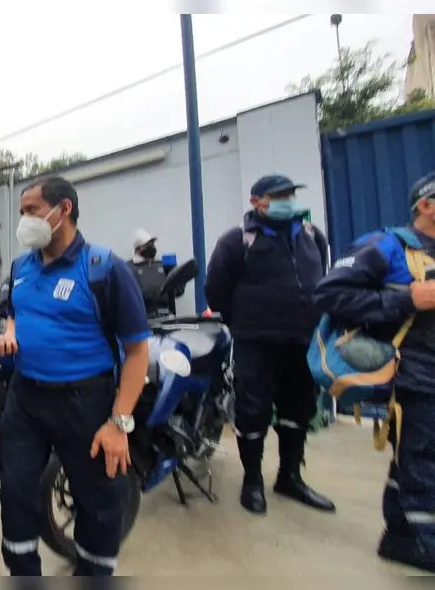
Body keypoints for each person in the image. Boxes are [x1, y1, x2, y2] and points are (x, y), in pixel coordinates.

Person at [0, 176, 151, 577]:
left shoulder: (103, 268)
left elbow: (137, 352)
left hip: (84, 401)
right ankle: (23, 570)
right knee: (15, 489)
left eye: (32, 211)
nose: (24, 220)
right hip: (25, 397)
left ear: (64, 211)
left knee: (98, 499)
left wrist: (119, 423)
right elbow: (14, 308)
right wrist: (9, 331)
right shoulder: (21, 266)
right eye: (22, 211)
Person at [314, 172, 435, 573]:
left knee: (414, 459)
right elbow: (331, 293)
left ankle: (402, 534)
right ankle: (421, 542)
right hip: (415, 373)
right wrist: (406, 300)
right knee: (423, 458)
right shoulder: (390, 245)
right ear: (425, 205)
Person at [205, 174, 335, 516]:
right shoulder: (236, 242)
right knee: (252, 412)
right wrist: (246, 322)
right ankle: (252, 482)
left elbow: (321, 276)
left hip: (303, 342)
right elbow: (216, 293)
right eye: (277, 195)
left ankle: (289, 477)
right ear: (256, 202)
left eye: (290, 194)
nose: (286, 200)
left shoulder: (312, 236)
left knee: (299, 410)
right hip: (256, 344)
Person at [130, 228, 181, 318]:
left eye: (153, 244)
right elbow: (132, 294)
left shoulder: (162, 265)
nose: (152, 247)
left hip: (166, 315)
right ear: (138, 249)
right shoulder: (129, 267)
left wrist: (177, 277)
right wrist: (159, 292)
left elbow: (177, 292)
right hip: (142, 317)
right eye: (148, 245)